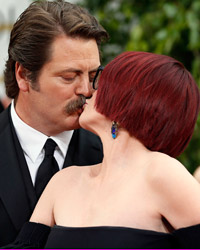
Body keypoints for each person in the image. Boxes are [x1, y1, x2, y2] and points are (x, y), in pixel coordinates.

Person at [4, 51, 200, 249]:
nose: (88, 91)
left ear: (127, 99)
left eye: (99, 81)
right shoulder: (64, 181)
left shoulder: (161, 172)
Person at [0, 0, 108, 246]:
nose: (87, 90)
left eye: (93, 76)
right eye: (69, 77)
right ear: (23, 75)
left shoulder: (111, 152)